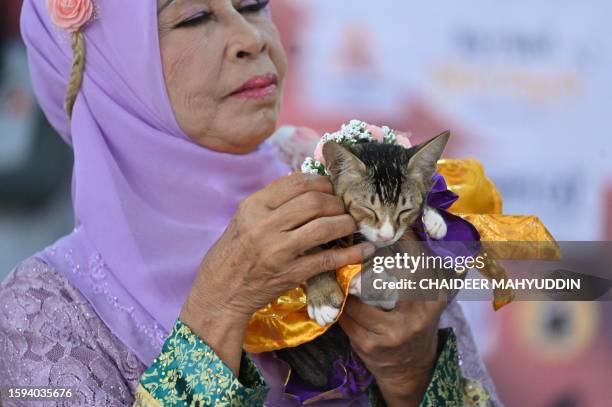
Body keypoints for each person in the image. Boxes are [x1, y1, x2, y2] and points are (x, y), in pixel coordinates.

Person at [0, 1, 500, 406]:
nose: (252, 38)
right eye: (194, 17)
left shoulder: (358, 213)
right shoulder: (44, 309)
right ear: (112, 68)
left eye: (254, 6)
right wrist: (218, 310)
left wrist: (411, 373)